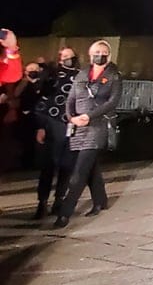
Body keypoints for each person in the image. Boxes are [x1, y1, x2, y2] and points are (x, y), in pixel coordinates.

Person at [54, 40, 123, 228]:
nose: (99, 55)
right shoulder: (82, 74)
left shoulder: (114, 76)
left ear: (108, 55)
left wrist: (89, 115)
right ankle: (101, 200)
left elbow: (112, 102)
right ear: (90, 54)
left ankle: (64, 213)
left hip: (97, 126)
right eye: (96, 51)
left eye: (103, 52)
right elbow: (71, 99)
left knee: (80, 171)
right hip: (78, 126)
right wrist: (71, 117)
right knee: (91, 167)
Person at [33, 46, 80, 218]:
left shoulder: (80, 76)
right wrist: (41, 126)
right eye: (63, 56)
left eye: (70, 56)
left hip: (71, 125)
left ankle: (59, 200)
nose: (66, 59)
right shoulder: (53, 75)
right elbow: (43, 99)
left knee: (66, 166)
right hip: (52, 124)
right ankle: (42, 202)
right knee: (48, 166)